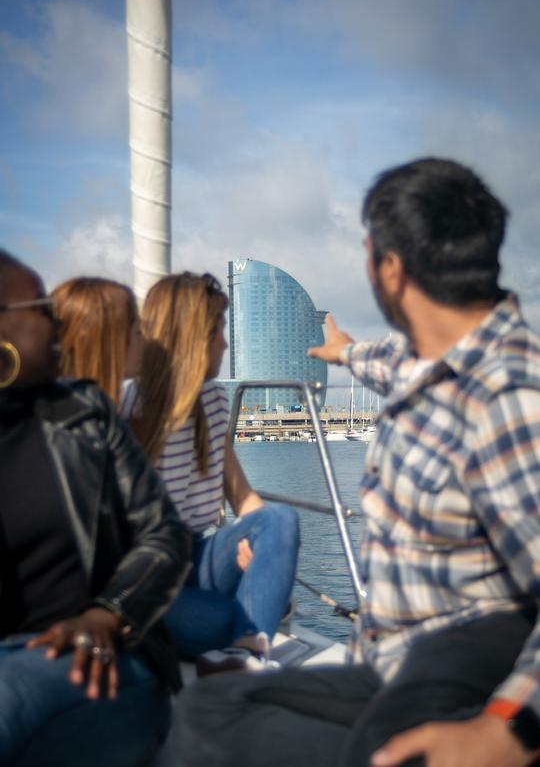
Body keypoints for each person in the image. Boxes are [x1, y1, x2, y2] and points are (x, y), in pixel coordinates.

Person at [173, 158, 540, 767]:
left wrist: (510, 729)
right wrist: (345, 354)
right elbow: (393, 362)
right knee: (208, 708)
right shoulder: (436, 364)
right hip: (385, 665)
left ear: (391, 268)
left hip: (455, 680)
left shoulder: (507, 399)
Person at [0, 250, 191, 766]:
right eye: (42, 305)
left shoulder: (85, 413)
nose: (57, 317)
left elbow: (165, 534)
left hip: (100, 659)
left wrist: (110, 613)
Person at [122, 271, 300, 669]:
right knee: (222, 615)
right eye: (218, 329)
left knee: (281, 519)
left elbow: (245, 501)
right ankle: (249, 631)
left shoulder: (213, 402)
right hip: (144, 580)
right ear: (192, 337)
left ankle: (246, 651)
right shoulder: (129, 410)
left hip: (196, 559)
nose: (225, 342)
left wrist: (260, 554)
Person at [52, 277, 144, 406]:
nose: (144, 342)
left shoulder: (49, 411)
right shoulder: (92, 419)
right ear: (109, 343)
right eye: (138, 332)